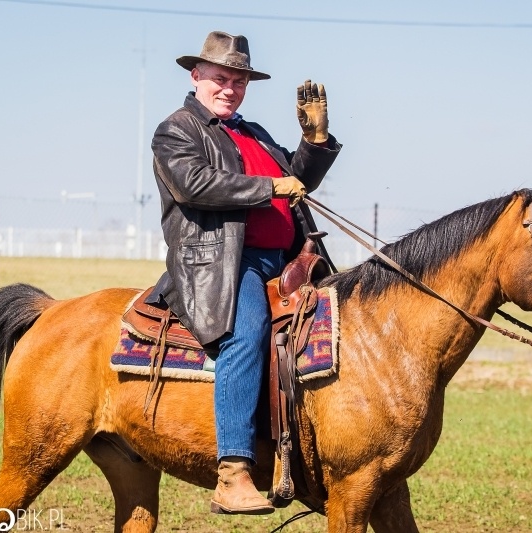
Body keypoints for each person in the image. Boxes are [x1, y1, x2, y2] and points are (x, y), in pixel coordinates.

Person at [146, 31, 341, 514]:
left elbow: (296, 178)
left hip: (291, 261)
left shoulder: (251, 132)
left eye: (239, 80)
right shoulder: (176, 130)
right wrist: (270, 185)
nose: (230, 88)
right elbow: (195, 185)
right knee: (246, 332)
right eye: (220, 78)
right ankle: (233, 471)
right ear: (196, 76)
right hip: (225, 265)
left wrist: (313, 143)